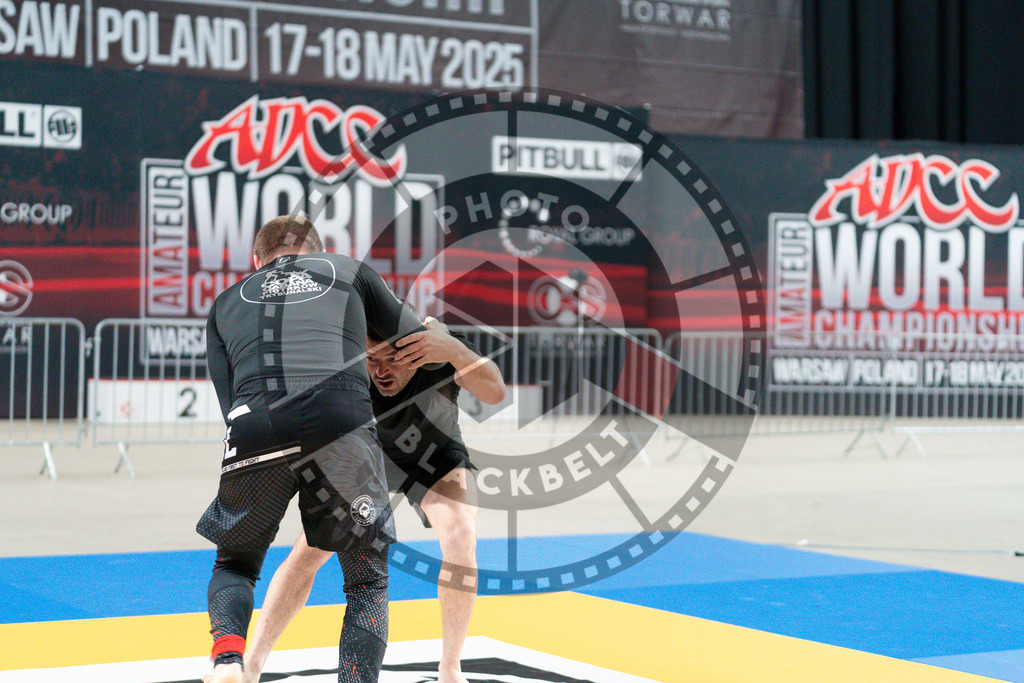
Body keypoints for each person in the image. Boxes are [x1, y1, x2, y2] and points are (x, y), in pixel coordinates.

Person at [197, 215, 426, 683]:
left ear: (256, 261)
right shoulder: (349, 271)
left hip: (256, 421)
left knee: (235, 563)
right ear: (319, 252)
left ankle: (227, 660)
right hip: (341, 419)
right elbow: (412, 337)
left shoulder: (225, 302)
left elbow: (229, 400)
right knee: (366, 580)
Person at [242, 309, 506, 683]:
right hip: (367, 457)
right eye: (372, 360)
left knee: (462, 536)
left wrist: (454, 350)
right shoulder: (342, 358)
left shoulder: (438, 348)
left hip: (435, 457)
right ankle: (252, 662)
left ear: (416, 349)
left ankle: (450, 668)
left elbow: (495, 392)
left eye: (394, 359)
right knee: (310, 551)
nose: (382, 371)